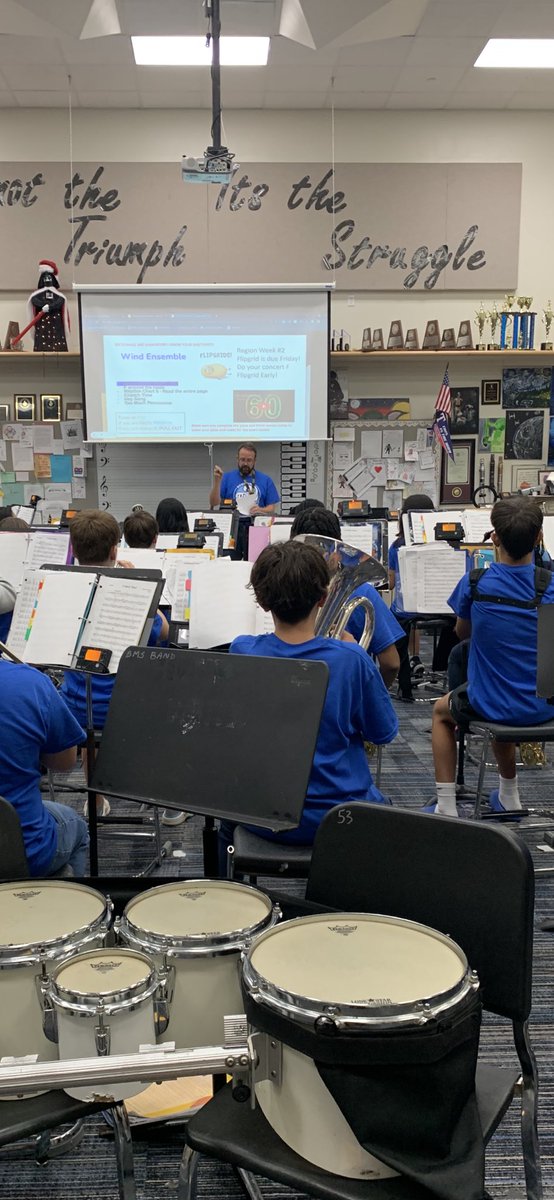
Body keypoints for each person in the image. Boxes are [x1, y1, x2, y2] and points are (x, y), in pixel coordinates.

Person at [219, 540, 398, 862]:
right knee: (388, 811)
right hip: (340, 816)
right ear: (324, 597)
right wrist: (354, 650)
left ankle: (234, 897)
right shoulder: (352, 659)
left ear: (261, 602)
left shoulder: (242, 650)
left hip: (263, 816)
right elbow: (382, 732)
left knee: (224, 823)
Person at [429, 495, 554, 818]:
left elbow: (462, 632)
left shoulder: (475, 583)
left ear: (494, 537)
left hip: (492, 702)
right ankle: (509, 794)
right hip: (545, 705)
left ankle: (445, 805)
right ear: (539, 538)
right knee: (505, 691)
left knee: (442, 713)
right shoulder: (551, 585)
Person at [59, 510, 173, 817]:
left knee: (87, 715)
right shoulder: (128, 591)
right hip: (130, 710)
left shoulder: (63, 592)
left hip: (75, 710)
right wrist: (140, 584)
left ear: (75, 550)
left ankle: (94, 800)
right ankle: (164, 802)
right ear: (114, 550)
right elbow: (163, 631)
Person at [290, 506, 402, 687]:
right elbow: (391, 663)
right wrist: (369, 696)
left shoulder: (277, 585)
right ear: (339, 545)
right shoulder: (362, 591)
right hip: (343, 691)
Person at [0, 658, 89, 876]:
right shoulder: (29, 682)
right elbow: (64, 762)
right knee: (76, 825)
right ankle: (63, 903)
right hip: (21, 849)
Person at [209, 443, 279, 517]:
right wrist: (217, 481)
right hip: (233, 523)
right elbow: (213, 503)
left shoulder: (266, 480)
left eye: (249, 460)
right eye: (242, 459)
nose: (245, 463)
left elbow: (271, 508)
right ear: (237, 459)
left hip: (257, 524)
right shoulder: (226, 478)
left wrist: (261, 510)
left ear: (255, 461)